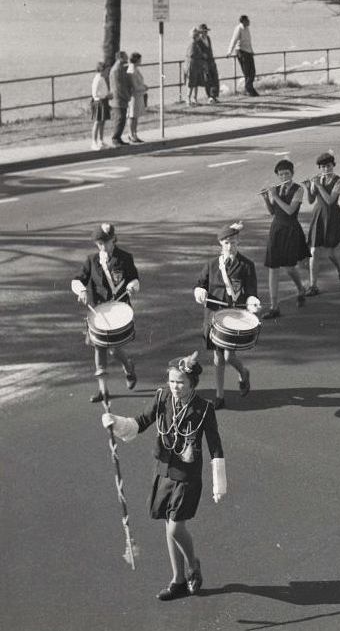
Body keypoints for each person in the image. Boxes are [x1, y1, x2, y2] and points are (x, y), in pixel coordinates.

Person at [100, 352, 226, 601]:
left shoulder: (203, 409)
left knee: (175, 528)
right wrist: (114, 422)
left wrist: (218, 481)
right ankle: (178, 580)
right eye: (172, 381)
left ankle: (193, 566)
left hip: (187, 476)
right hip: (164, 471)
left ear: (192, 383)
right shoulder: (162, 397)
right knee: (168, 527)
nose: (175, 387)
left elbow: (215, 446)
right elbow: (140, 422)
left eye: (180, 382)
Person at [71, 223, 140, 404]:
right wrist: (82, 291)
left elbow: (134, 278)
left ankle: (128, 366)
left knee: (114, 350)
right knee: (99, 347)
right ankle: (103, 390)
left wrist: (132, 286)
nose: (102, 247)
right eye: (99, 244)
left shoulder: (125, 258)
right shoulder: (92, 261)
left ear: (113, 240)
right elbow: (78, 280)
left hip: (120, 310)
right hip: (100, 312)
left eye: (106, 243)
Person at [193, 222, 260, 409]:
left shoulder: (247, 265)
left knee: (230, 356)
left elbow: (252, 291)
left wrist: (252, 302)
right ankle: (220, 395)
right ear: (220, 244)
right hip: (215, 316)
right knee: (218, 357)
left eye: (233, 242)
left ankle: (243, 372)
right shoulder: (212, 265)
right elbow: (200, 284)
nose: (230, 246)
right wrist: (200, 293)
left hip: (235, 317)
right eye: (226, 243)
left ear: (238, 242)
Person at [259, 159, 310, 319]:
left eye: (286, 173)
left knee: (289, 267)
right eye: (281, 174)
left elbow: (289, 210)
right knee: (273, 268)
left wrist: (275, 195)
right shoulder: (278, 189)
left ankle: (300, 288)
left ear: (292, 173)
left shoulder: (298, 189)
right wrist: (267, 198)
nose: (283, 177)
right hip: (276, 229)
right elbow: (273, 211)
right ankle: (274, 307)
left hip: (290, 230)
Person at [303, 151, 340, 292]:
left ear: (333, 165)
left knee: (329, 252)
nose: (326, 169)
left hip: (332, 216)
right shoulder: (317, 179)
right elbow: (311, 200)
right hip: (319, 215)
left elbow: (330, 200)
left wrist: (319, 186)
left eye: (328, 166)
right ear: (319, 168)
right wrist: (307, 187)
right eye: (323, 167)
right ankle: (313, 285)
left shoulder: (339, 181)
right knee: (314, 250)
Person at [227, 15, 257, 96]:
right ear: (243, 21)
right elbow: (234, 39)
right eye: (247, 20)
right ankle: (249, 90)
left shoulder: (247, 29)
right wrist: (229, 51)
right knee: (247, 72)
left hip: (248, 51)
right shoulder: (238, 28)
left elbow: (249, 41)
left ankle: (249, 88)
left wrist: (251, 51)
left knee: (253, 72)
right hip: (241, 51)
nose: (249, 21)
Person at [108, 51, 132, 146]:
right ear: (120, 58)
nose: (127, 58)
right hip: (118, 99)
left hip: (121, 98)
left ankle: (118, 138)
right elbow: (118, 87)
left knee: (122, 119)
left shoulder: (120, 68)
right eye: (126, 56)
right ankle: (115, 138)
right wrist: (126, 96)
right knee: (120, 118)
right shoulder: (116, 70)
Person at [126, 52, 148, 143]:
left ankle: (134, 133)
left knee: (136, 116)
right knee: (132, 115)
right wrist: (144, 87)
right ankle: (131, 134)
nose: (141, 61)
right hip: (133, 96)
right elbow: (134, 86)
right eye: (140, 59)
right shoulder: (131, 70)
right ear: (136, 60)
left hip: (138, 95)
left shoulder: (135, 69)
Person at [90, 62, 111, 150]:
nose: (108, 72)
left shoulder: (102, 78)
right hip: (99, 102)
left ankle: (101, 141)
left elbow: (103, 90)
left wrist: (108, 95)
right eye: (107, 70)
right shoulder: (97, 79)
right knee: (97, 122)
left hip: (104, 101)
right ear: (102, 69)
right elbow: (95, 94)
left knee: (102, 122)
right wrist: (105, 96)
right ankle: (94, 142)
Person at [198, 24, 220, 104]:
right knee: (207, 79)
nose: (205, 33)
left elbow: (210, 49)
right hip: (204, 62)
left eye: (206, 31)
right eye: (204, 31)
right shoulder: (198, 41)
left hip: (211, 60)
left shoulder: (208, 38)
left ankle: (214, 96)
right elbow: (197, 52)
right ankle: (210, 97)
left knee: (215, 78)